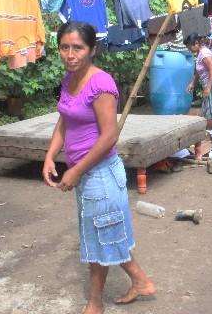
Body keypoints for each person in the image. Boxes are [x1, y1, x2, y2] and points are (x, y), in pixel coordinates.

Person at [42, 22, 156, 314]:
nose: (70, 54)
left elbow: (110, 135)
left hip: (101, 175)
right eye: (64, 47)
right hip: (86, 176)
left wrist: (77, 170)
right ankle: (142, 282)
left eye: (77, 48)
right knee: (105, 234)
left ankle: (95, 303)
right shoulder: (69, 81)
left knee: (99, 239)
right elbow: (64, 120)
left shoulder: (101, 83)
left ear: (92, 49)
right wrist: (50, 155)